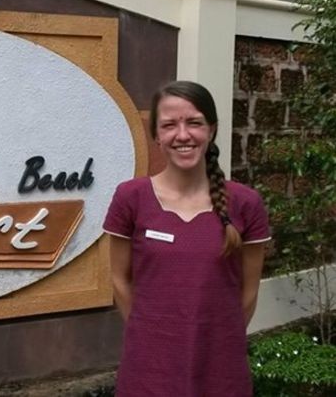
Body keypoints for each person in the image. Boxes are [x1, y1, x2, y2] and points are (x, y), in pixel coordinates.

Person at [103, 80, 270, 397]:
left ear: (212, 129)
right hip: (148, 368)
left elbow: (248, 292)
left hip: (221, 367)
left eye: (194, 122)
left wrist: (220, 338)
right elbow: (119, 280)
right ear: (156, 135)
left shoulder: (246, 203)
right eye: (169, 125)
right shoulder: (131, 198)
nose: (183, 135)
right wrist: (150, 334)